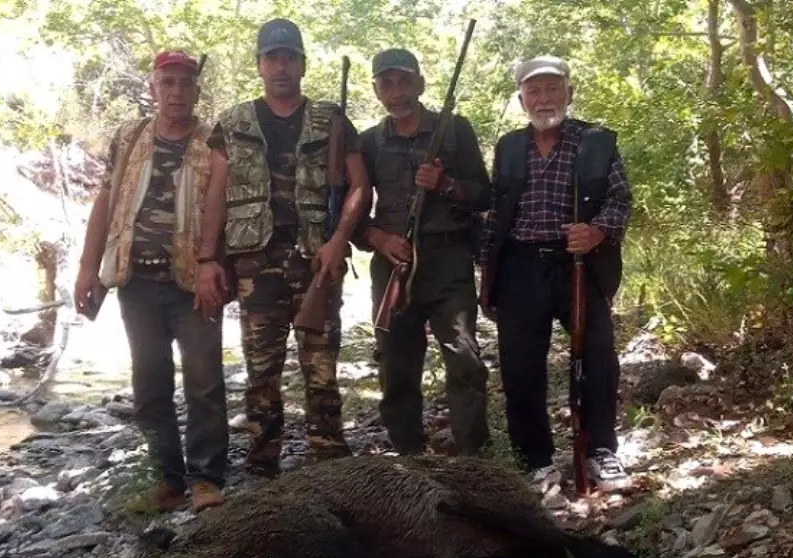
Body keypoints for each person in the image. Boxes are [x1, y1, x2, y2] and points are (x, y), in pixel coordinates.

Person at [195, 18, 369, 481]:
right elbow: (215, 194)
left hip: (317, 262)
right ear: (259, 65)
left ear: (303, 64)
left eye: (289, 56)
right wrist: (208, 259)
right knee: (261, 373)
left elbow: (360, 187)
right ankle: (262, 464)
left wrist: (337, 242)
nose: (281, 66)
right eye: (272, 57)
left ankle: (329, 462)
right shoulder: (232, 124)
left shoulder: (331, 119)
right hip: (256, 266)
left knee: (322, 371)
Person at [72, 49, 230, 512]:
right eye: (168, 83)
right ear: (153, 88)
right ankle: (166, 478)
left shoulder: (214, 140)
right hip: (136, 281)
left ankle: (206, 478)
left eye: (185, 83)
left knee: (205, 382)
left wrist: (208, 261)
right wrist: (88, 267)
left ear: (197, 91)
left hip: (191, 281)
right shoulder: (129, 136)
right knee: (149, 383)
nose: (176, 92)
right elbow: (106, 202)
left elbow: (220, 203)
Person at [479, 55, 633, 492]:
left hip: (579, 267)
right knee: (520, 368)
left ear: (568, 91)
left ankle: (601, 451)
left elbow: (621, 200)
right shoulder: (509, 145)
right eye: (534, 90)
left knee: (599, 356)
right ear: (521, 98)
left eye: (552, 88)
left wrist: (597, 230)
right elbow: (498, 209)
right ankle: (536, 461)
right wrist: (485, 269)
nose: (543, 98)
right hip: (519, 268)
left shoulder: (597, 141)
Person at [354, 48, 492, 456]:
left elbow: (484, 193)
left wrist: (446, 184)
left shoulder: (455, 130)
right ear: (377, 90)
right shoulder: (367, 143)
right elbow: (351, 210)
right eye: (387, 83)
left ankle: (473, 459)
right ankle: (409, 456)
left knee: (464, 358)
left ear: (420, 84)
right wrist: (379, 239)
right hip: (392, 262)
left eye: (404, 81)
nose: (397, 92)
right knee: (396, 363)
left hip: (448, 260)